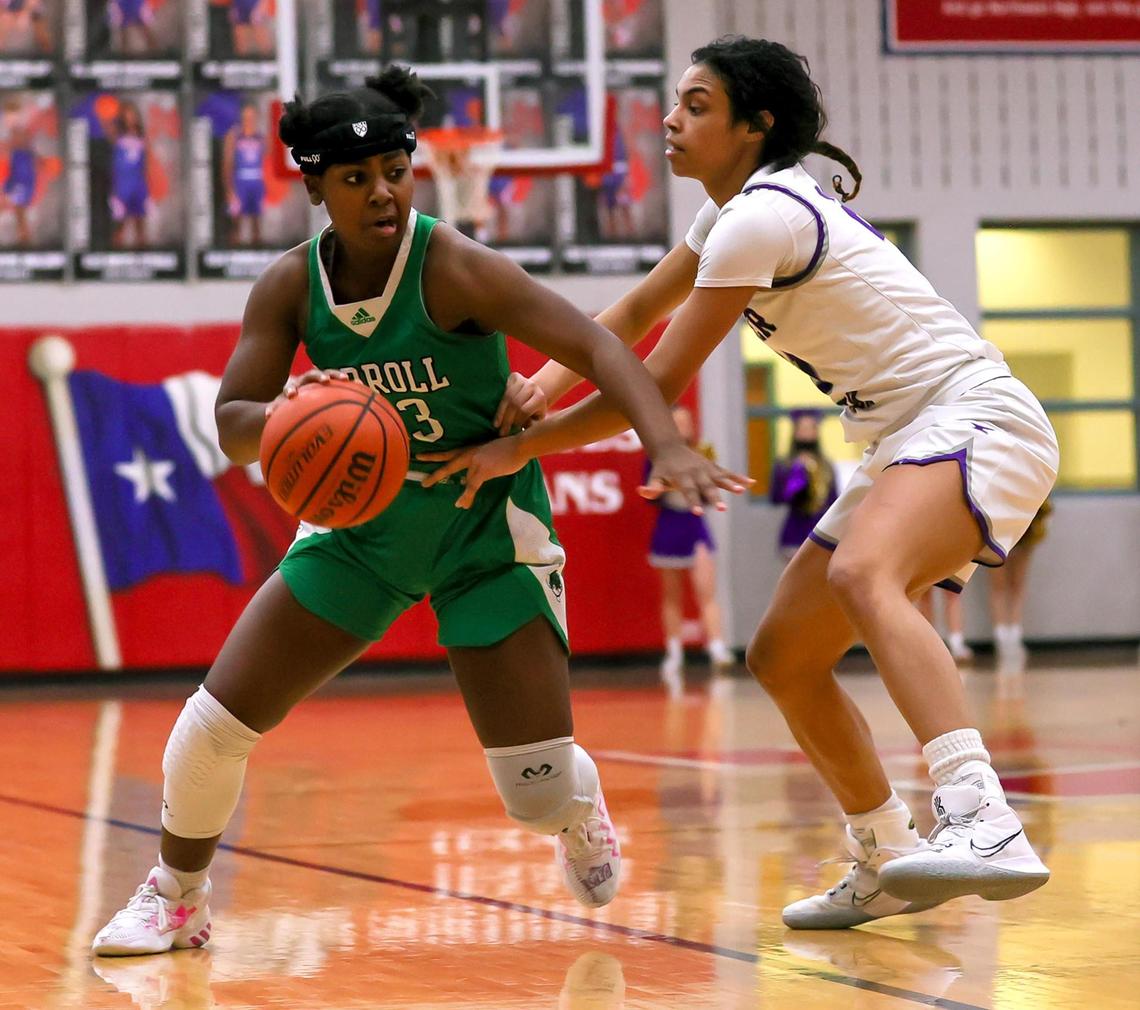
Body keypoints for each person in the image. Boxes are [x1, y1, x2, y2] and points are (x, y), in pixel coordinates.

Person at [91, 66, 745, 957]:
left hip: (485, 535)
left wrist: (665, 444)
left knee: (534, 791)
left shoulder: (454, 267)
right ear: (315, 186)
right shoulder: (289, 286)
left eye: (396, 171)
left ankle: (575, 804)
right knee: (211, 728)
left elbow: (595, 341)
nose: (383, 192)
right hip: (360, 538)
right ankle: (178, 897)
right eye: (356, 180)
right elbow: (233, 424)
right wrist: (292, 414)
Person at [420, 36, 1059, 930]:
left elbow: (658, 382)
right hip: (900, 436)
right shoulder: (728, 217)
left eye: (697, 104)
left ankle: (984, 819)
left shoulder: (763, 218)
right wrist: (540, 384)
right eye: (676, 102)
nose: (672, 120)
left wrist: (521, 449)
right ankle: (881, 850)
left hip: (978, 415)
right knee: (784, 659)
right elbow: (635, 312)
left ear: (755, 126)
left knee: (862, 574)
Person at [647, 405, 733, 696]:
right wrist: (658, 487)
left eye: (685, 421)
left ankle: (717, 648)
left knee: (706, 590)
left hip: (695, 526)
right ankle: (674, 653)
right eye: (675, 422)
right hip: (669, 526)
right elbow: (650, 489)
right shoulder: (657, 456)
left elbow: (711, 491)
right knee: (671, 594)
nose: (681, 426)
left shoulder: (701, 453)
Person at [989, 499, 1051, 672]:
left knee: (1013, 586)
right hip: (999, 528)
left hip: (1023, 529)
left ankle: (1012, 636)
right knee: (1001, 586)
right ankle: (1003, 637)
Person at [768, 408, 837, 561]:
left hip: (821, 529)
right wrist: (797, 475)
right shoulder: (785, 464)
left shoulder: (826, 465)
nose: (806, 433)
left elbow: (834, 500)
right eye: (802, 428)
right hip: (795, 529)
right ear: (795, 431)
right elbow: (777, 497)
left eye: (811, 428)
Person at [107, 100, 150, 249]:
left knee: (140, 226)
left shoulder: (141, 135)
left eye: (133, 114)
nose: (130, 117)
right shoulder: (116, 134)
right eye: (127, 114)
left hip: (138, 184)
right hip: (122, 185)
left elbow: (145, 162)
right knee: (120, 226)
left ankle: (144, 260)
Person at [224, 102, 265, 247]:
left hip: (257, 182)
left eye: (251, 117)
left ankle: (257, 258)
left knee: (256, 225)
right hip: (239, 182)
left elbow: (267, 161)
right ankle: (233, 257)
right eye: (246, 117)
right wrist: (229, 190)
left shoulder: (260, 137)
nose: (249, 120)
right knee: (236, 225)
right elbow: (227, 165)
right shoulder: (234, 136)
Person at [1, 119, 37, 246]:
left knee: (19, 212)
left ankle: (24, 239)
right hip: (19, 183)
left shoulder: (24, 150)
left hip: (21, 185)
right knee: (19, 212)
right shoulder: (19, 150)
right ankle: (24, 238)